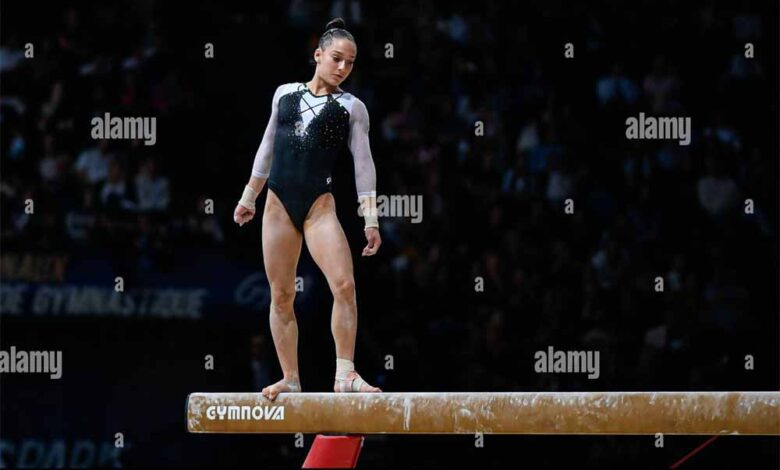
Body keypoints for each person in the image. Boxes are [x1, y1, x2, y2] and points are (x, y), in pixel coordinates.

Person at [233, 18, 382, 400]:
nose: (343, 68)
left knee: (344, 285)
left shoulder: (352, 108)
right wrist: (249, 196)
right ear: (318, 55)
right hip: (278, 206)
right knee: (282, 294)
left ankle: (345, 373)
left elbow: (364, 164)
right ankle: (290, 378)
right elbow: (267, 146)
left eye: (350, 62)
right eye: (336, 58)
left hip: (319, 206)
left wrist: (370, 218)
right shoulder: (284, 94)